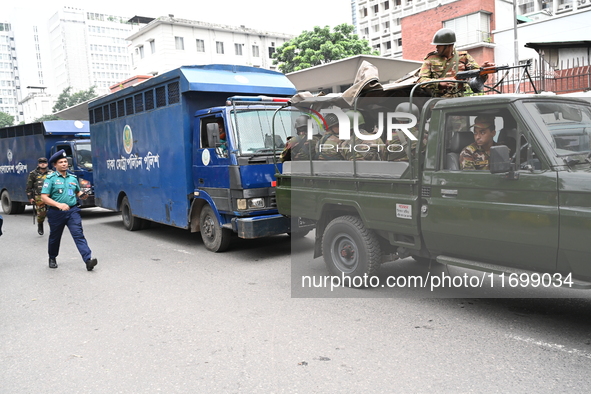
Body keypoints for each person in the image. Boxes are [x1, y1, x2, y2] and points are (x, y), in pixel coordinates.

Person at [41, 149, 98, 271]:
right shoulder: (50, 179)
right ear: (55, 165)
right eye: (61, 162)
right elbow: (44, 197)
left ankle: (88, 260)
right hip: (56, 213)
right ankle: (52, 257)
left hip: (73, 211)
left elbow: (77, 192)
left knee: (78, 235)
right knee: (55, 237)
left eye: (65, 161)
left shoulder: (72, 178)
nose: (64, 164)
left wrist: (83, 195)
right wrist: (59, 205)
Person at [418, 28, 494, 98]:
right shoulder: (431, 59)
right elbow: (421, 80)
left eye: (439, 45)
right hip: (438, 101)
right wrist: (438, 83)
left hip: (459, 101)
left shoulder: (464, 57)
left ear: (449, 45)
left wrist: (482, 71)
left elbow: (478, 80)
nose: (436, 47)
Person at [26, 157, 53, 235]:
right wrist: (30, 198)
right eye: (41, 163)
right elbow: (29, 187)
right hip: (39, 196)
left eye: (44, 162)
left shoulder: (52, 173)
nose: (43, 164)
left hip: (50, 196)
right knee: (41, 213)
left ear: (47, 164)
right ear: (38, 164)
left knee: (51, 213)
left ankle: (52, 228)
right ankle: (40, 225)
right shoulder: (33, 174)